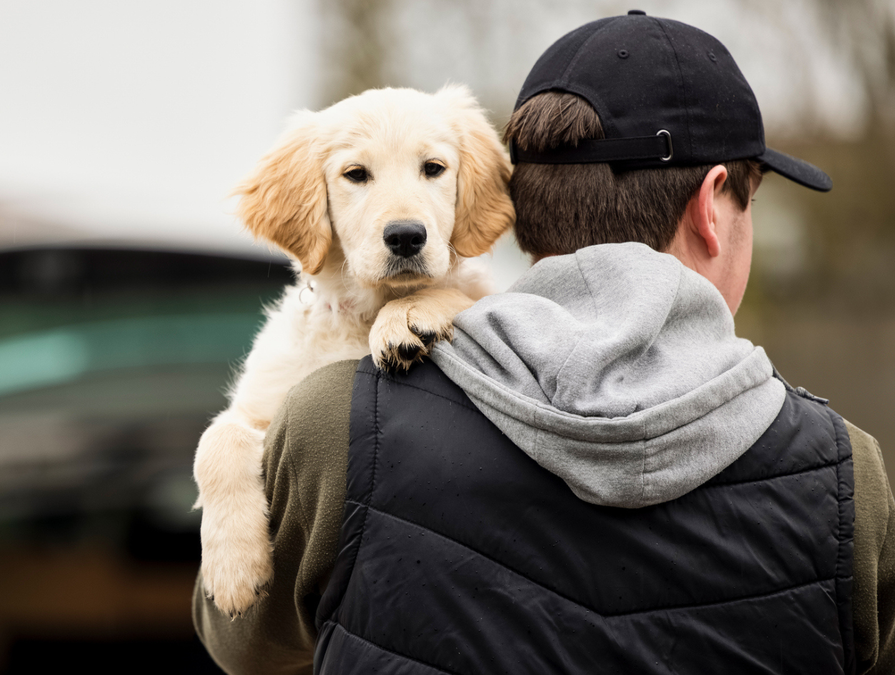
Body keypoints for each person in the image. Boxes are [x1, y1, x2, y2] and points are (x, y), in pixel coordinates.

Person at [193, 11, 895, 674]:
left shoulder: (334, 423)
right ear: (714, 208)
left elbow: (244, 641)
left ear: (511, 206)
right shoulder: (847, 477)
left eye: (433, 171)